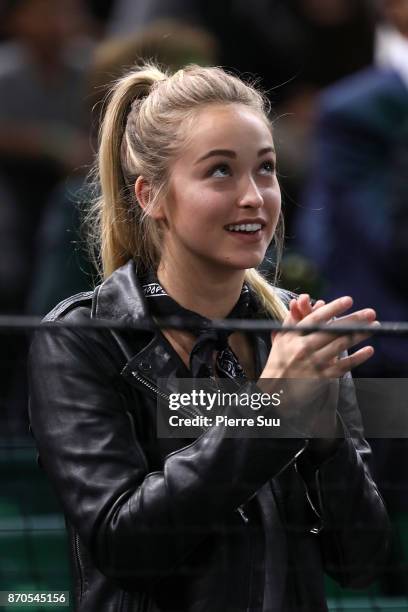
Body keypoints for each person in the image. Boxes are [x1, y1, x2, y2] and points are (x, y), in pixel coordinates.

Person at [28, 64, 390, 612]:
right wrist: (273, 409)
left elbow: (361, 562)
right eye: (220, 172)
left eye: (265, 169)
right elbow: (127, 547)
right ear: (151, 196)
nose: (254, 197)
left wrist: (323, 435)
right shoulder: (82, 338)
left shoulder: (289, 338)